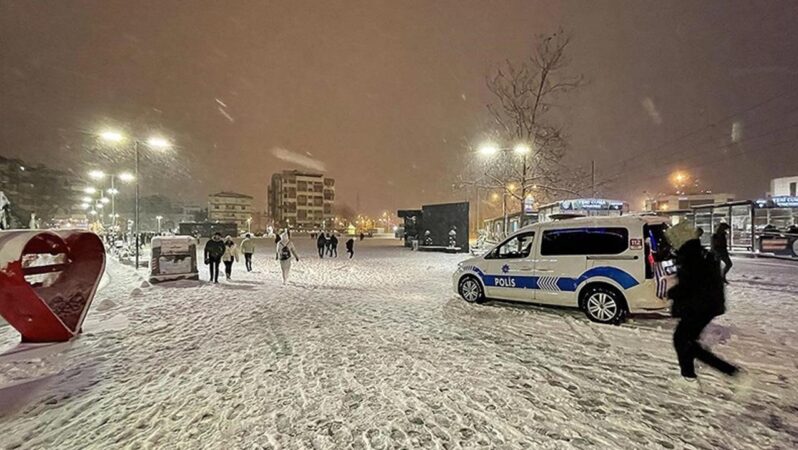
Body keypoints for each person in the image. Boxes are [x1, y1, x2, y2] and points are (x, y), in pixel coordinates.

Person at [668, 227, 740, 385]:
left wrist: (672, 293)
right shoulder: (698, 252)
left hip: (701, 305)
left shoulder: (691, 257)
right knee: (684, 340)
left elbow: (691, 284)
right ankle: (688, 375)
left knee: (684, 341)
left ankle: (730, 372)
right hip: (707, 304)